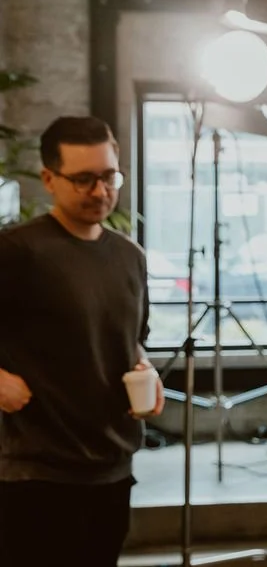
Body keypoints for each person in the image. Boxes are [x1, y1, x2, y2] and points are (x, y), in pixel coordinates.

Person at [0, 116, 165, 566]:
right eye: (83, 179)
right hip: (34, 472)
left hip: (112, 466)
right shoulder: (17, 251)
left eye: (109, 176)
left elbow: (133, 340)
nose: (99, 191)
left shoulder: (129, 256)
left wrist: (146, 371)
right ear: (48, 179)